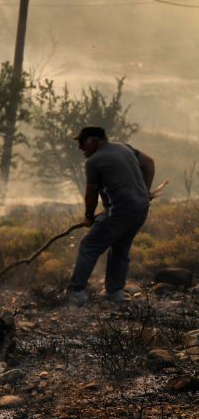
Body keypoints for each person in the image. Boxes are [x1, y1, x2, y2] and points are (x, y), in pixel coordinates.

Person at [68, 126, 155, 305]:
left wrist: (88, 216)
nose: (80, 148)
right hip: (141, 208)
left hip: (120, 211)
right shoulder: (125, 147)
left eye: (82, 143)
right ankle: (115, 292)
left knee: (89, 245)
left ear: (94, 141)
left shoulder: (94, 161)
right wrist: (146, 190)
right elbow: (149, 163)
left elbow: (91, 193)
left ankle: (77, 292)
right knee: (120, 248)